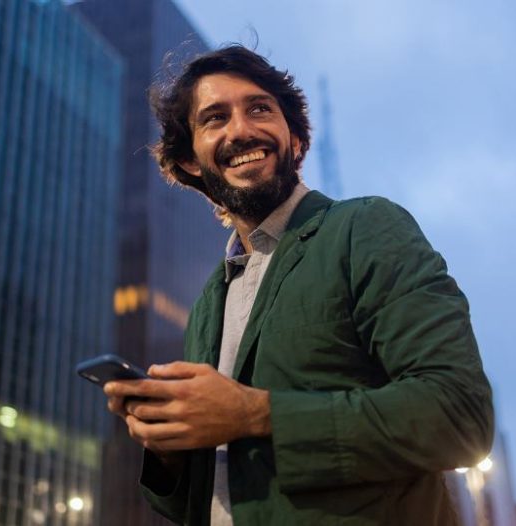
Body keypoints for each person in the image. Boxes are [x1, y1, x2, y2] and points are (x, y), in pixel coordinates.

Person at [103, 44, 494, 525]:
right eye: (215, 118)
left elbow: (459, 417)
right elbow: (200, 502)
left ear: (296, 140)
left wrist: (253, 414)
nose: (241, 130)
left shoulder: (365, 227)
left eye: (260, 109)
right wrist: (170, 447)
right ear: (188, 160)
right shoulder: (210, 299)